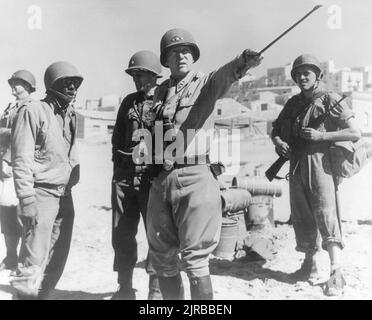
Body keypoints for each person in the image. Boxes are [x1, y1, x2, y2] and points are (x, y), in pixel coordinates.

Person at [146, 28, 262, 300]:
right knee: (162, 255)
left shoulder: (205, 84)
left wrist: (242, 61)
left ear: (194, 56)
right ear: (166, 59)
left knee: (195, 257)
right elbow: (154, 134)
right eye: (174, 53)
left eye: (186, 51)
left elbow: (226, 75)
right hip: (162, 178)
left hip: (196, 177)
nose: (180, 56)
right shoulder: (160, 92)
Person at [271, 54, 361, 296]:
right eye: (298, 74)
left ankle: (336, 271)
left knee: (326, 213)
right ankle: (309, 266)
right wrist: (278, 142)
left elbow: (354, 133)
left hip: (321, 163)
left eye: (307, 73)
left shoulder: (331, 100)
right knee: (301, 215)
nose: (302, 77)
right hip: (297, 164)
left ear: (318, 75)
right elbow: (276, 129)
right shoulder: (292, 104)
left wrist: (322, 137)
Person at [9, 61, 83, 299]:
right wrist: (27, 198)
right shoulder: (32, 111)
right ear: (52, 85)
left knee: (58, 257)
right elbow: (21, 158)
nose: (72, 88)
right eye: (66, 83)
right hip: (41, 195)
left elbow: (71, 151)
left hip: (64, 196)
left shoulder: (71, 114)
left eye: (76, 83)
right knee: (32, 260)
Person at [111, 50, 163, 300]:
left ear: (154, 75)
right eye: (134, 75)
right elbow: (117, 139)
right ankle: (124, 286)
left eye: (141, 74)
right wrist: (118, 173)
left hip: (151, 179)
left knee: (156, 235)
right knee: (121, 234)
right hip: (125, 177)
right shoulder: (128, 102)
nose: (137, 79)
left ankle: (155, 290)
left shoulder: (166, 99)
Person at [0, 70, 36, 272]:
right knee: (6, 213)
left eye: (18, 83)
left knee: (21, 215)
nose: (13, 87)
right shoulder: (10, 107)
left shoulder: (30, 108)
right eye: (12, 83)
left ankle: (23, 259)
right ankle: (11, 256)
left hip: (19, 168)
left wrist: (7, 160)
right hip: (5, 168)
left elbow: (22, 138)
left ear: (29, 86)